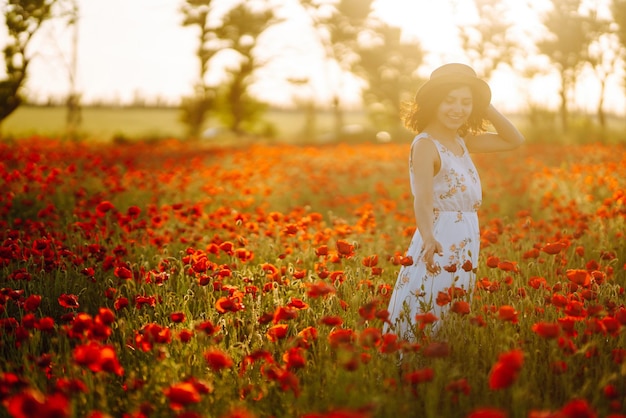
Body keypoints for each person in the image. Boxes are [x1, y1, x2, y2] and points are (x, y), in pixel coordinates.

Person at [385, 63, 524, 340]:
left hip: (467, 234)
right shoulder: (426, 144)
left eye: (465, 102)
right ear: (435, 103)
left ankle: (439, 362)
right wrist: (427, 237)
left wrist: (485, 104)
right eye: (449, 101)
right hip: (439, 236)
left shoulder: (462, 140)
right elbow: (422, 199)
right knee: (429, 300)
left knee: (452, 305)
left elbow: (515, 140)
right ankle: (411, 364)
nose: (457, 109)